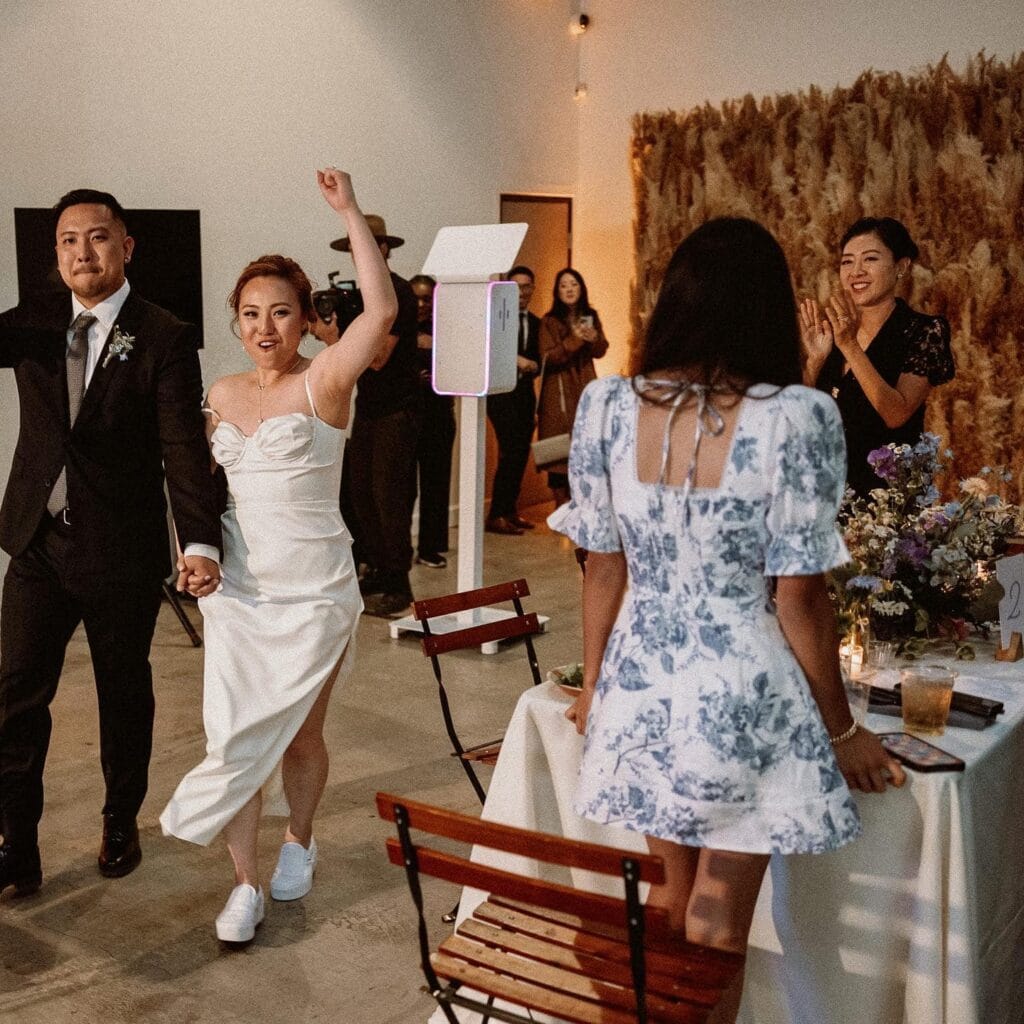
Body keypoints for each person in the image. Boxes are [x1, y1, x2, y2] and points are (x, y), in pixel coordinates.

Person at [549, 217, 905, 1023]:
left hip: (641, 679)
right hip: (742, 686)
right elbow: (797, 598)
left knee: (677, 909)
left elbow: (602, 565)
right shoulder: (797, 416)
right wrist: (843, 730)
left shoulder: (606, 405)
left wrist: (597, 686)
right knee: (717, 931)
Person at [160, 169, 397, 943]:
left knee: (297, 734)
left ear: (305, 321)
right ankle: (244, 886)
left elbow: (384, 307)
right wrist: (191, 553)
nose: (266, 327)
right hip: (240, 591)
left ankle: (300, 836)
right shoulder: (221, 394)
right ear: (237, 322)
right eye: (252, 314)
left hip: (316, 590)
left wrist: (349, 213)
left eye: (281, 313)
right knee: (234, 740)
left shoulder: (326, 381)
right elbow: (195, 492)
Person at [0, 189, 222, 898]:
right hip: (37, 542)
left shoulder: (161, 334)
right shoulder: (33, 322)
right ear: (55, 253)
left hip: (119, 550)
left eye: (97, 238)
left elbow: (182, 449)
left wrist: (199, 543)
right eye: (68, 240)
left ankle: (120, 819)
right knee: (12, 697)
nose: (81, 253)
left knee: (121, 691)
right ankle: (16, 845)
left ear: (126, 247)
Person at [313, 214, 421, 618]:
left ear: (384, 250)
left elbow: (376, 358)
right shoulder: (358, 296)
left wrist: (333, 339)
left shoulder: (396, 292)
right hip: (370, 408)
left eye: (364, 247)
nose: (359, 256)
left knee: (389, 497)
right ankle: (377, 569)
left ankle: (399, 583)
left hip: (398, 409)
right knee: (361, 495)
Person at [799, 216, 954, 497]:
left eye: (869, 259)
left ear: (901, 267)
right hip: (821, 494)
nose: (856, 271)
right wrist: (814, 362)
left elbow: (896, 414)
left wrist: (850, 347)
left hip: (885, 503)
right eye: (847, 262)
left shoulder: (923, 330)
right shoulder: (831, 333)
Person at [536, 268, 608, 507]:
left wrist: (594, 337)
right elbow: (549, 357)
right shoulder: (549, 321)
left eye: (574, 284)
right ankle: (560, 503)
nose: (569, 289)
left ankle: (583, 500)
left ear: (581, 288)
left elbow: (600, 351)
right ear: (557, 291)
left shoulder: (590, 315)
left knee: (586, 442)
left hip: (584, 385)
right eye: (564, 285)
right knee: (558, 445)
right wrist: (576, 339)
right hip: (558, 390)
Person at [485, 265, 541, 535]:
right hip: (501, 396)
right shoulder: (497, 320)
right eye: (517, 286)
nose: (522, 292)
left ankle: (510, 511)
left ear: (533, 289)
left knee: (520, 453)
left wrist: (532, 366)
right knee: (509, 452)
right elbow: (491, 352)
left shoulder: (538, 322)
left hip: (525, 396)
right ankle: (496, 514)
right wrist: (515, 360)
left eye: (527, 286)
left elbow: (542, 362)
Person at [409, 274, 455, 568]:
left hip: (439, 413)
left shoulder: (447, 331)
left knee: (437, 484)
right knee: (402, 489)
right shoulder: (396, 330)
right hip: (407, 415)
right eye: (417, 298)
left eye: (428, 298)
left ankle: (430, 547)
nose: (423, 304)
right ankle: (397, 551)